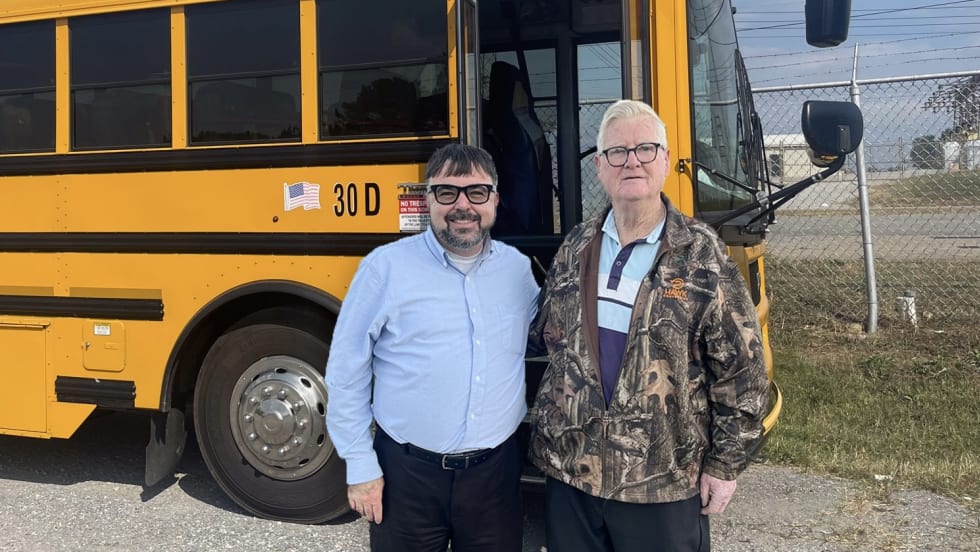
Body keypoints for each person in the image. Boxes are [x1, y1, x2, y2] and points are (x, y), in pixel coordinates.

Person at [528, 100, 769, 552]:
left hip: (662, 481)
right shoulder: (575, 246)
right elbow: (547, 336)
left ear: (664, 159)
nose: (631, 161)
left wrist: (724, 464)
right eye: (617, 152)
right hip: (573, 474)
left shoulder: (700, 254)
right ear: (600, 167)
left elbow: (744, 371)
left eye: (645, 148)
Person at [325, 143, 539, 552]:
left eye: (476, 192)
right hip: (407, 476)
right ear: (427, 200)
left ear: (494, 199)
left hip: (494, 476)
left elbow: (551, 334)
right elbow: (346, 370)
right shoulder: (384, 268)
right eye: (446, 192)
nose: (463, 205)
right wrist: (360, 465)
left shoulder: (517, 269)